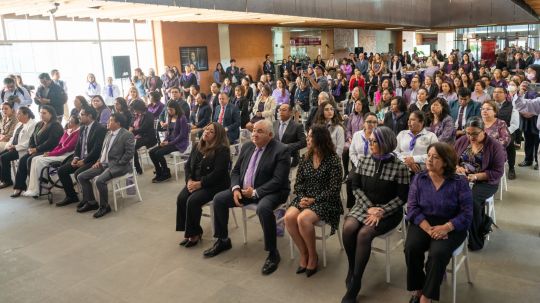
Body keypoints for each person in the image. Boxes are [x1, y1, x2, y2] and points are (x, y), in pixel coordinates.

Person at [203, 120, 291, 276]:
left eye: (260, 131)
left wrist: (255, 192)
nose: (254, 134)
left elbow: (278, 180)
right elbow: (235, 171)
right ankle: (223, 240)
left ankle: (273, 253)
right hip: (244, 191)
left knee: (264, 209)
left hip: (273, 192)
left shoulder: (281, 150)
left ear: (270, 135)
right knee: (219, 199)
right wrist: (236, 189)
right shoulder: (247, 146)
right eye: (254, 130)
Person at [341, 126, 410, 303]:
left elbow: (402, 197)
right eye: (369, 140)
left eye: (374, 141)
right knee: (348, 228)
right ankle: (352, 267)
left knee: (364, 234)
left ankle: (356, 282)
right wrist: (369, 207)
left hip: (388, 211)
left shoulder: (400, 167)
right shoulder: (364, 160)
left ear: (385, 143)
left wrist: (382, 211)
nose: (369, 143)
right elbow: (355, 187)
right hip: (365, 205)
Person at [405, 142, 473, 303]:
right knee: (411, 248)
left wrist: (447, 227)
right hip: (424, 222)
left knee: (437, 254)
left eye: (435, 157)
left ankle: (426, 298)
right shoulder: (419, 178)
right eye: (428, 155)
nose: (429, 160)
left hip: (452, 225)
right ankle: (418, 289)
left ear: (445, 161)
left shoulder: (459, 182)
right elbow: (412, 208)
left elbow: (467, 213)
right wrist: (429, 229)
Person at [284, 124, 342, 277]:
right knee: (289, 217)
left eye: (310, 137)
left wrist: (313, 200)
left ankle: (313, 255)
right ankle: (304, 254)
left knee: (303, 219)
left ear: (320, 139)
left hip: (326, 200)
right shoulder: (306, 157)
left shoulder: (333, 160)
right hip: (306, 197)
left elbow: (334, 189)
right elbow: (298, 183)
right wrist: (303, 197)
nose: (307, 140)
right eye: (308, 137)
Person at [454, 117, 505, 251]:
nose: (471, 137)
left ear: (484, 131)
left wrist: (476, 176)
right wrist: (457, 167)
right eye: (468, 133)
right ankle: (455, 229)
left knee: (470, 200)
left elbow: (497, 172)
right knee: (445, 193)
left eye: (475, 133)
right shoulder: (462, 141)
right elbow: (451, 158)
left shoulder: (495, 146)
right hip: (462, 177)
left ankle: (475, 239)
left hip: (486, 182)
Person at [176, 122, 231, 247]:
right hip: (194, 181)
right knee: (181, 198)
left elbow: (218, 173)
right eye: (207, 129)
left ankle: (194, 234)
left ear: (218, 136)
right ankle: (190, 231)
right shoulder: (197, 146)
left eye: (211, 132)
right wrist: (189, 180)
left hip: (215, 184)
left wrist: (200, 184)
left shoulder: (222, 150)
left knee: (193, 201)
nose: (207, 132)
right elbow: (188, 166)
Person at [76, 114, 135, 218]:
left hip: (118, 165)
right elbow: (104, 151)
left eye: (111, 120)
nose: (108, 122)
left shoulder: (127, 135)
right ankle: (91, 202)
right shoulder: (108, 134)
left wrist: (119, 163)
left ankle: (104, 206)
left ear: (118, 123)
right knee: (81, 176)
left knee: (100, 181)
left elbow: (130, 153)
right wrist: (99, 160)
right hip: (103, 164)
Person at [55, 107, 107, 207]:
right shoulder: (82, 128)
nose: (79, 117)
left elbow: (97, 150)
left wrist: (84, 161)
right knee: (62, 170)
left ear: (90, 116)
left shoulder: (100, 129)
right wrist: (76, 158)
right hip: (81, 158)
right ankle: (71, 196)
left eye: (82, 115)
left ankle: (90, 201)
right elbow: (78, 146)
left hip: (93, 159)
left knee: (79, 173)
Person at [11, 105, 63, 198]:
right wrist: (31, 147)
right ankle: (19, 187)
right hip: (37, 149)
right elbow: (32, 137)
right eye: (40, 113)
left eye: (44, 113)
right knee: (23, 160)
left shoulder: (55, 125)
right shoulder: (39, 124)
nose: (41, 115)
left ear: (51, 114)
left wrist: (37, 149)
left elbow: (52, 141)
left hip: (50, 150)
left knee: (30, 160)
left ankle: (37, 187)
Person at [23, 115, 80, 197]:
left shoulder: (78, 132)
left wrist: (51, 154)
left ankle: (44, 187)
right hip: (59, 152)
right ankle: (34, 187)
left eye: (71, 121)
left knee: (40, 160)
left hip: (68, 154)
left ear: (76, 123)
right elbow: (59, 145)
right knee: (34, 159)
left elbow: (67, 148)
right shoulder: (68, 131)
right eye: (69, 120)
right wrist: (51, 152)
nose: (68, 123)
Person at [149, 100, 189, 182]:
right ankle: (159, 171)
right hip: (170, 141)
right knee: (151, 152)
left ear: (176, 109)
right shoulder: (170, 117)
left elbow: (182, 136)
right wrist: (164, 140)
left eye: (171, 109)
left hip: (179, 143)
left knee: (158, 153)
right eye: (168, 109)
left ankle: (166, 173)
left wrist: (169, 143)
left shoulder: (182, 118)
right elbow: (169, 133)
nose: (169, 111)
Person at [346, 113, 378, 208]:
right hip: (358, 164)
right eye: (368, 122)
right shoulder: (357, 135)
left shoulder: (379, 136)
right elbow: (352, 152)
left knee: (371, 183)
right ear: (364, 123)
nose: (371, 124)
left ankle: (370, 206)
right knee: (350, 180)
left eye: (374, 122)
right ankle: (350, 207)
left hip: (374, 165)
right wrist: (358, 164)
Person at [0, 107, 37, 189]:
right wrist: (9, 145)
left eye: (19, 113)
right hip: (13, 147)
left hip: (23, 149)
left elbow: (29, 142)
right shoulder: (19, 124)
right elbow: (13, 137)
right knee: (0, 156)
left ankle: (7, 181)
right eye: (17, 113)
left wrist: (15, 146)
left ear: (26, 115)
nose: (17, 115)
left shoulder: (32, 124)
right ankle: (3, 178)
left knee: (3, 158)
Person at [492, 87, 520, 179]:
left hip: (507, 132)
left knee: (510, 144)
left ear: (505, 94)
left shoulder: (511, 106)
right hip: (490, 132)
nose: (496, 94)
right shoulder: (489, 105)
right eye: (495, 92)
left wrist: (503, 133)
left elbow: (514, 125)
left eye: (499, 92)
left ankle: (511, 168)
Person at [515, 80, 540, 170]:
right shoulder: (525, 90)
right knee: (528, 140)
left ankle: (537, 161)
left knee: (537, 143)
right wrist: (523, 112)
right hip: (526, 120)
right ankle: (528, 159)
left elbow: (536, 106)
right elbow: (520, 104)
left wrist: (533, 113)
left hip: (536, 119)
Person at [129, 100, 157, 175]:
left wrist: (132, 132)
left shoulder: (149, 115)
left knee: (131, 146)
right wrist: (130, 128)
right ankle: (130, 166)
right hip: (137, 136)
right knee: (126, 144)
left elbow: (143, 128)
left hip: (147, 137)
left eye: (135, 109)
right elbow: (131, 124)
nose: (134, 111)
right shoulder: (136, 115)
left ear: (140, 108)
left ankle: (137, 168)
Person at [343, 99, 364, 175]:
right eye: (356, 104)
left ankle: (353, 172)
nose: (357, 106)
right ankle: (346, 172)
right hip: (351, 139)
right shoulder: (352, 115)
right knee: (345, 149)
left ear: (363, 106)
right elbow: (348, 129)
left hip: (361, 140)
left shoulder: (366, 116)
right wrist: (349, 138)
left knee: (354, 150)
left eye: (359, 104)